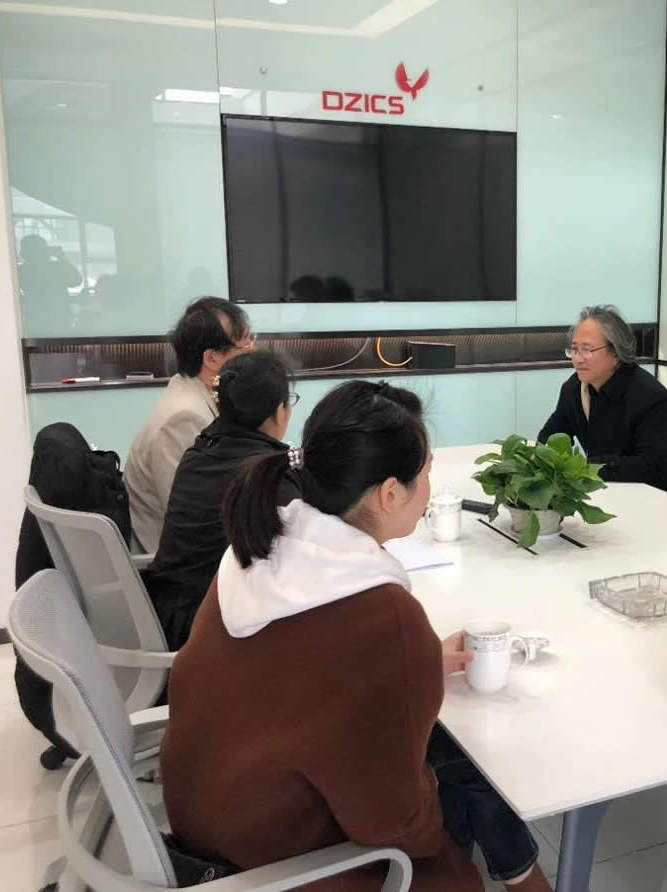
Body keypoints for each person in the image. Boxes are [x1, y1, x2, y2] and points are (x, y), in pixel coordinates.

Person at [160, 381, 552, 892]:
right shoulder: (384, 616)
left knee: (447, 752)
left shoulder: (255, 546)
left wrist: (414, 670)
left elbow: (296, 681)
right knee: (452, 786)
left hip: (201, 822)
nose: (428, 487)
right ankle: (525, 876)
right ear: (390, 493)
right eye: (425, 473)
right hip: (280, 867)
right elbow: (394, 825)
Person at [141, 350, 298, 651]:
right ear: (280, 412)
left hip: (167, 614)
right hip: (210, 629)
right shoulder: (268, 475)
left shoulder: (197, 453)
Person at [123, 297, 254, 552]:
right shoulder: (183, 418)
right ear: (212, 358)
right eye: (245, 345)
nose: (254, 352)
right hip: (173, 563)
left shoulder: (195, 394)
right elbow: (195, 518)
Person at [538, 305, 667, 493]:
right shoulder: (574, 388)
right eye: (574, 349)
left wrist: (583, 468)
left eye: (587, 350)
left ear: (616, 353)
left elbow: (650, 468)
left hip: (663, 498)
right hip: (606, 491)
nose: (577, 359)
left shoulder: (650, 396)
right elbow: (550, 437)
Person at [17, 234, 83, 329]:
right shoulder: (55, 267)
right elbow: (76, 281)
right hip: (60, 319)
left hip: (35, 320)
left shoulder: (21, 271)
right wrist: (61, 257)